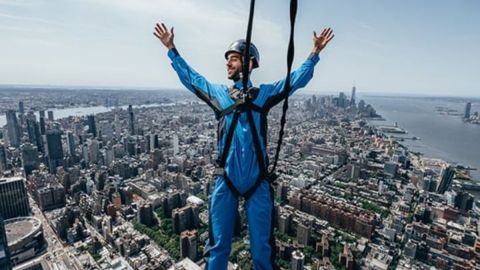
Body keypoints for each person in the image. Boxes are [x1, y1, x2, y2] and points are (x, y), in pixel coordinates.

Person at [154, 22, 333, 270]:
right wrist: (172, 49)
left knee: (262, 248)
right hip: (225, 178)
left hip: (257, 180)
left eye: (234, 59)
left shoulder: (263, 95)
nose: (227, 63)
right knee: (217, 248)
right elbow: (193, 79)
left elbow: (294, 81)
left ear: (249, 63)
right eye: (228, 59)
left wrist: (314, 54)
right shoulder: (220, 94)